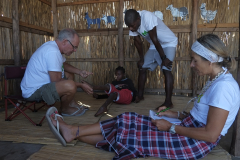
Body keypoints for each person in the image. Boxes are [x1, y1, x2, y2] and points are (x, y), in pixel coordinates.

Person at [46, 34, 240, 160]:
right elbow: (202, 114)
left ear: (211, 60)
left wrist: (171, 127)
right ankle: (74, 131)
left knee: (133, 138)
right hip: (189, 127)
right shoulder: (216, 80)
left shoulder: (224, 88)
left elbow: (210, 134)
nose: (191, 65)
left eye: (194, 60)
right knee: (128, 119)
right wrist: (174, 114)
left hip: (195, 142)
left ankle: (74, 132)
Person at [21, 28, 93, 116]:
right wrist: (81, 85)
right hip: (33, 91)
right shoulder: (52, 51)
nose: (75, 50)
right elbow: (56, 81)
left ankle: (71, 103)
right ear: (65, 42)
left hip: (41, 86)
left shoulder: (53, 47)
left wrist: (80, 71)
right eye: (74, 47)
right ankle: (65, 109)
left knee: (69, 74)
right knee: (70, 85)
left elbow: (63, 64)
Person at [124, 9, 178, 110]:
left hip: (168, 43)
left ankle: (168, 102)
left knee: (166, 69)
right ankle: (140, 95)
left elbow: (154, 38)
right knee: (142, 67)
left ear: (138, 19)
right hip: (155, 45)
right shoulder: (132, 23)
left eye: (132, 25)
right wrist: (141, 59)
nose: (131, 28)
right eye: (129, 26)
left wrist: (164, 58)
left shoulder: (147, 17)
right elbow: (138, 42)